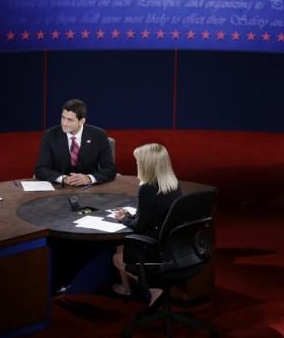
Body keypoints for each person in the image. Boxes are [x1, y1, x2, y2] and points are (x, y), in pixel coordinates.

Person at [112, 143, 182, 306]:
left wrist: (123, 219)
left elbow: (139, 227)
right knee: (120, 247)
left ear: (147, 165)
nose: (137, 165)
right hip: (172, 244)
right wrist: (132, 215)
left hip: (153, 245)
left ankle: (154, 289)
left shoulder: (147, 189)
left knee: (117, 257)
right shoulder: (174, 183)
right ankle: (125, 288)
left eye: (138, 162)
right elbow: (154, 213)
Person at [34, 98, 116, 186]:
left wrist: (88, 178)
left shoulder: (99, 136)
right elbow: (41, 169)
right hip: (59, 189)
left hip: (89, 190)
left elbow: (110, 169)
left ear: (81, 121)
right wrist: (63, 179)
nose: (64, 123)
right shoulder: (50, 135)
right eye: (63, 117)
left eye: (70, 120)